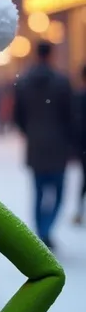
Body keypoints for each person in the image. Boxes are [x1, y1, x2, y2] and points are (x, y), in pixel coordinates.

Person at [13, 41, 75, 249]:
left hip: (36, 144)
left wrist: (30, 131)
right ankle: (47, 229)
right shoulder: (62, 82)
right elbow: (71, 116)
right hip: (58, 145)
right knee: (57, 193)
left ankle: (41, 230)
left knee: (38, 191)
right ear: (51, 55)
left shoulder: (24, 82)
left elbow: (18, 116)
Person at [73, 64, 86, 224]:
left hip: (83, 145)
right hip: (83, 145)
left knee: (84, 179)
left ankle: (79, 211)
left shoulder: (77, 96)